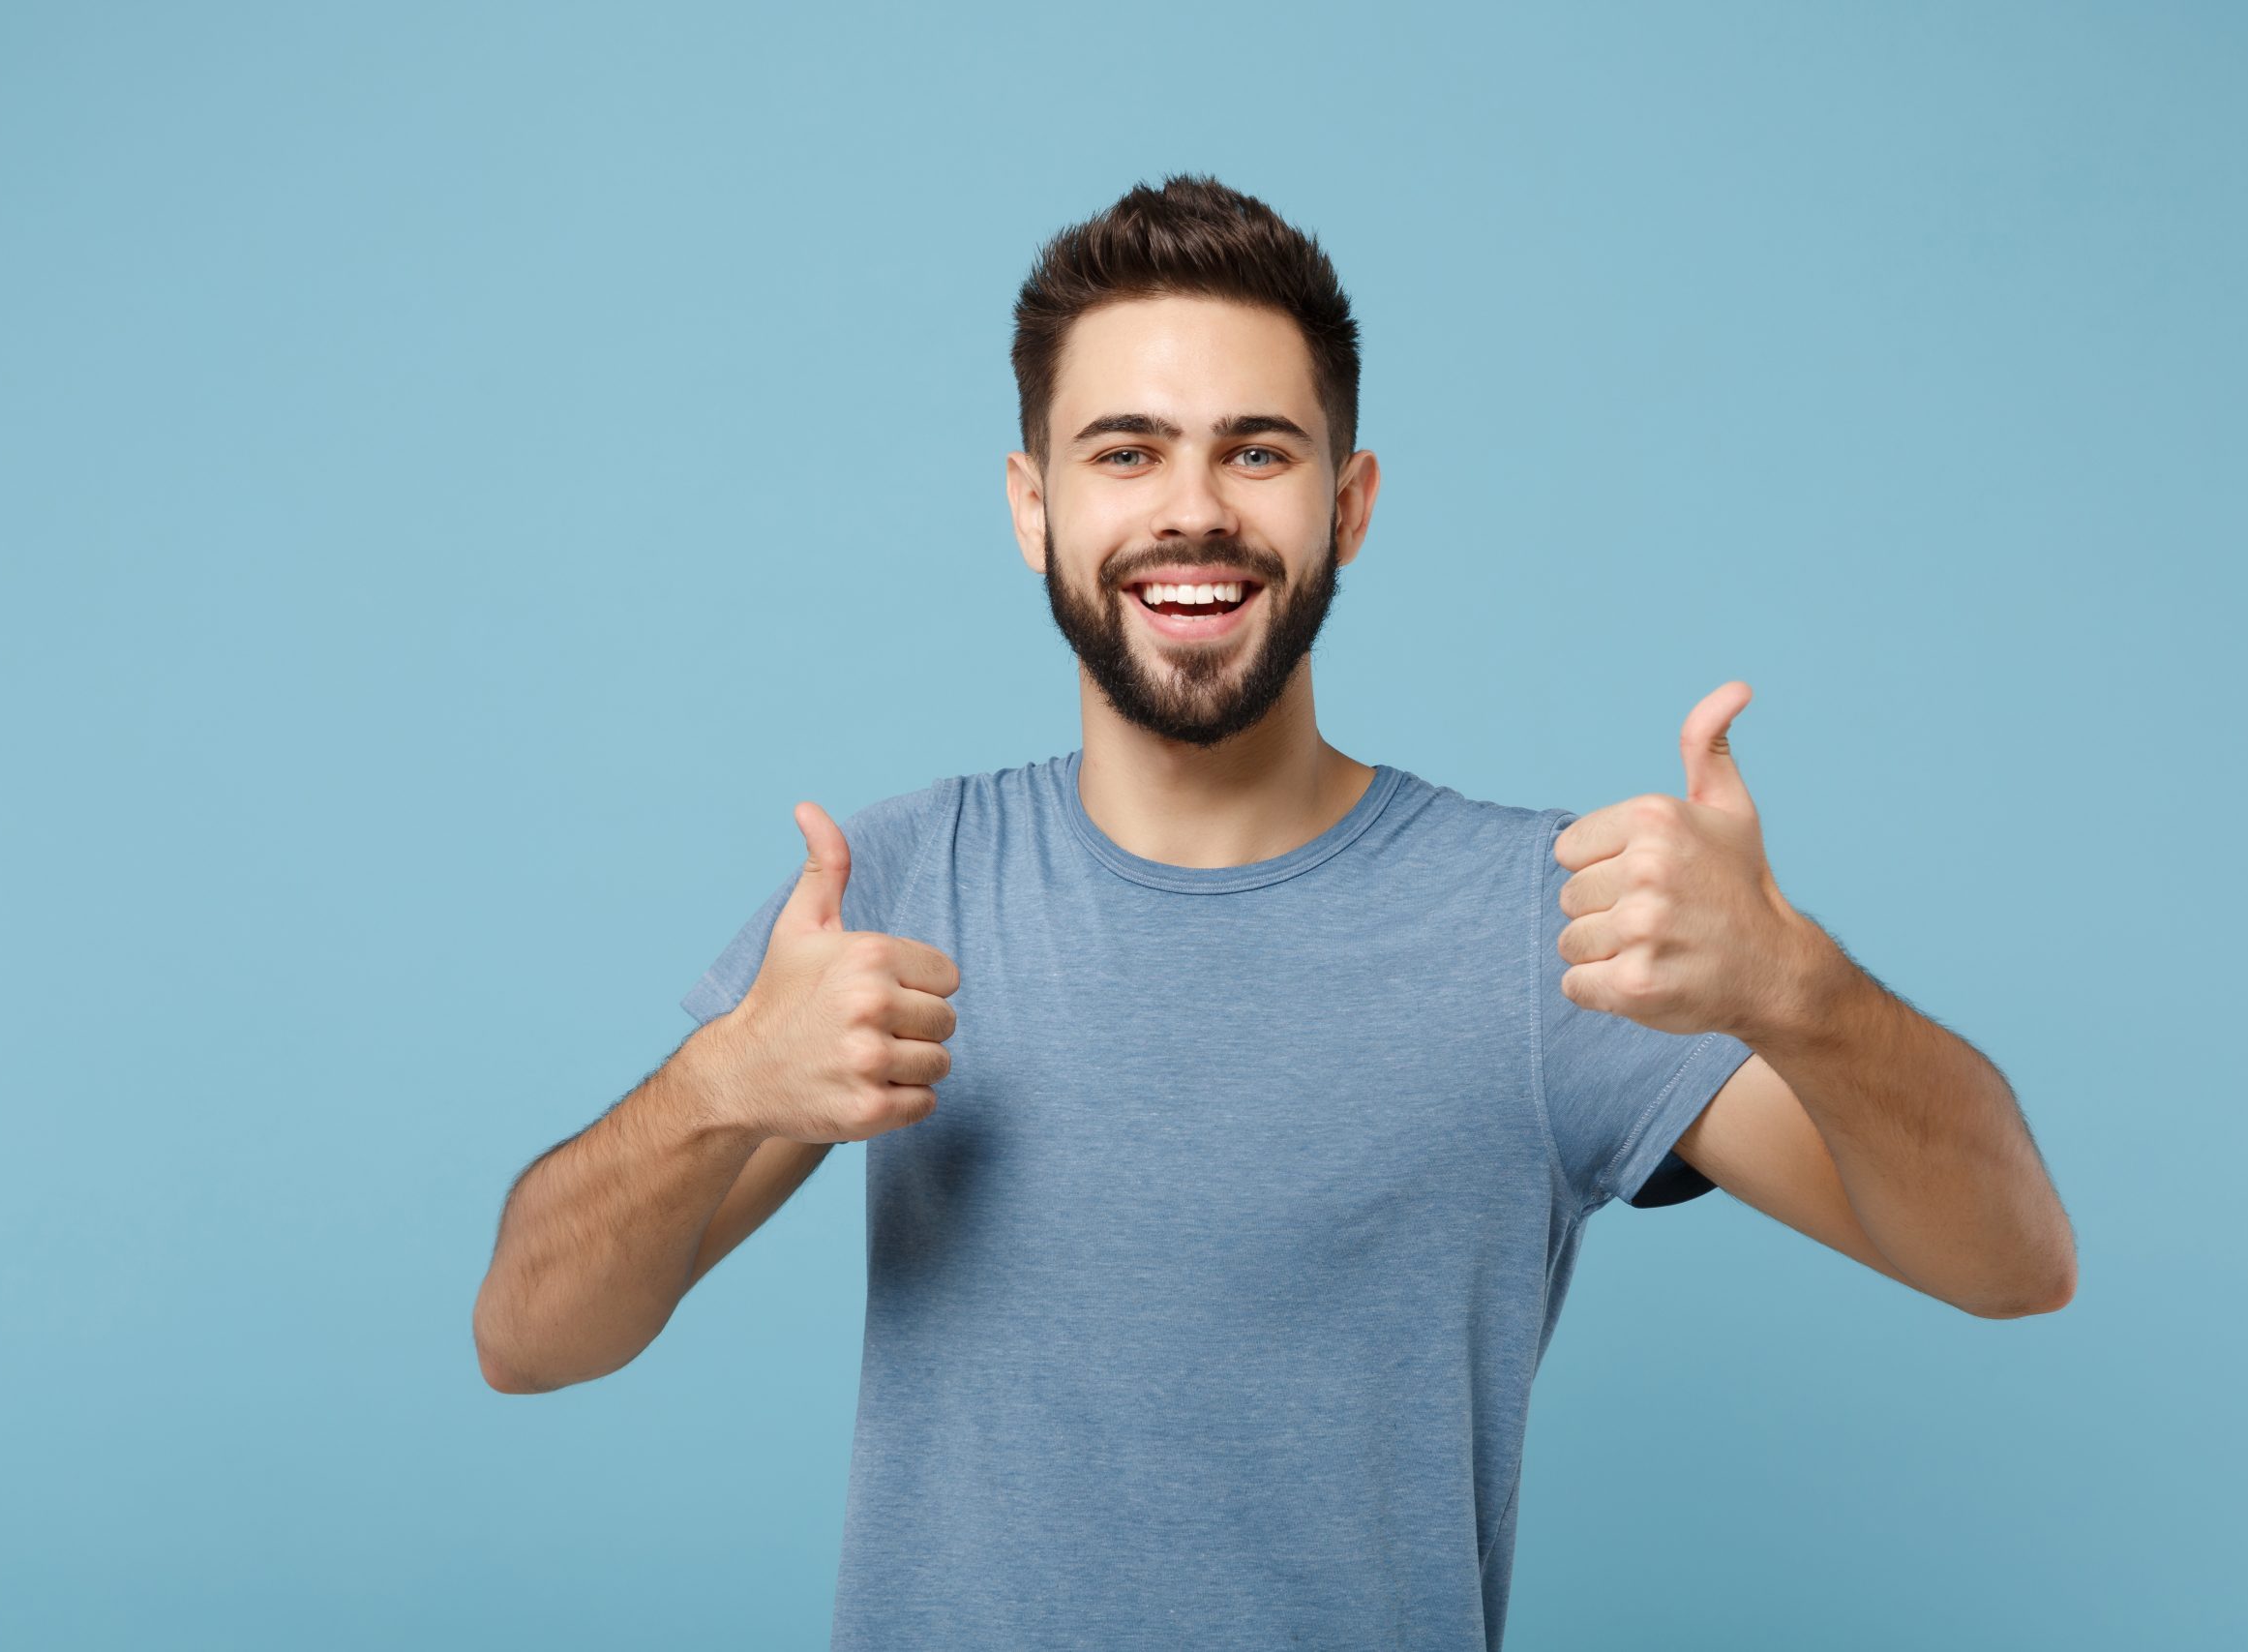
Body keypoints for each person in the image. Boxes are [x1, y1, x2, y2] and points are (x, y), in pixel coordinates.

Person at [473, 173, 2077, 1651]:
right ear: (1033, 508)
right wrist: (714, 1092)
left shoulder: (1538, 926)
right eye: (1127, 452)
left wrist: (1797, 986)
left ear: (1348, 504)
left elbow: (2012, 1262)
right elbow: (529, 1338)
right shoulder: (893, 890)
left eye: (1257, 449)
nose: (1195, 511)